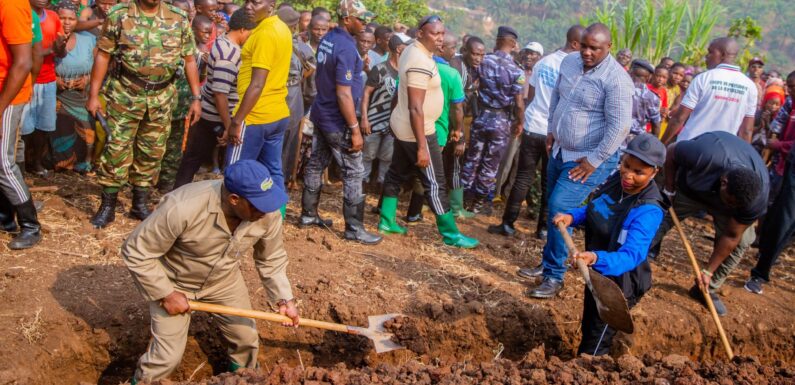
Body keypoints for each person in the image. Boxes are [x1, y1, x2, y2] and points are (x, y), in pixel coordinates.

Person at [122, 160, 299, 384]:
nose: (266, 210)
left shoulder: (266, 212)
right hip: (175, 282)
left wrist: (284, 299)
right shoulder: (183, 206)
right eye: (258, 205)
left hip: (224, 281)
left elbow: (270, 259)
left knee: (245, 340)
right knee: (166, 358)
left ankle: (240, 380)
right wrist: (165, 293)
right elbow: (136, 250)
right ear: (235, 200)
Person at [529, 23, 633, 299]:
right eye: (584, 46)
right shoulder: (569, 62)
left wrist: (593, 161)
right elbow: (557, 98)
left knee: (560, 207)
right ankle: (548, 263)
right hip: (561, 150)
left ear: (608, 47)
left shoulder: (617, 79)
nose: (587, 52)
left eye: (594, 48)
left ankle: (554, 276)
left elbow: (620, 127)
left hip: (589, 160)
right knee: (553, 209)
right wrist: (551, 129)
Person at [86, 0, 202, 228]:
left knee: (152, 151)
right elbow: (103, 55)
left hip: (162, 98)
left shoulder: (178, 18)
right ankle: (108, 205)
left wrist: (196, 98)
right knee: (117, 149)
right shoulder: (120, 15)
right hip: (125, 94)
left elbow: (189, 59)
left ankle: (139, 204)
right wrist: (93, 94)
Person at [556, 133, 665, 356]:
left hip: (620, 286)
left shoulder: (648, 210)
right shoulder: (617, 181)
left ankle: (588, 371)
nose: (628, 175)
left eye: (639, 172)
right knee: (589, 322)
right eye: (626, 165)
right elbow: (596, 209)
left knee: (596, 340)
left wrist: (596, 258)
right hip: (595, 273)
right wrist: (572, 217)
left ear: (654, 172)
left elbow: (631, 255)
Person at [377, 15, 477, 249]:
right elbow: (415, 107)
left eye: (442, 33)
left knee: (396, 172)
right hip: (418, 131)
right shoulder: (420, 61)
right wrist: (422, 146)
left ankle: (386, 220)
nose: (440, 38)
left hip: (403, 126)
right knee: (435, 183)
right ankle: (451, 235)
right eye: (435, 33)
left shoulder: (413, 50)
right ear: (420, 34)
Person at [650, 131, 768, 316]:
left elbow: (731, 236)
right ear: (724, 183)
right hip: (691, 187)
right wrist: (669, 190)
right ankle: (632, 261)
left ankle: (706, 288)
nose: (731, 206)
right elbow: (672, 152)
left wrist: (708, 271)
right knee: (659, 215)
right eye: (730, 201)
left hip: (727, 199)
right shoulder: (705, 155)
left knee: (742, 242)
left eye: (736, 206)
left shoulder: (754, 200)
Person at [488, 25, 583, 244]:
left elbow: (529, 94)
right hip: (555, 133)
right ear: (575, 44)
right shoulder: (575, 68)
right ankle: (542, 230)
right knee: (549, 182)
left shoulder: (543, 62)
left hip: (533, 126)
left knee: (523, 177)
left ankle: (507, 224)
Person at [299, 0, 382, 245]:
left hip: (321, 113)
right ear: (347, 19)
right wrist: (355, 130)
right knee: (354, 171)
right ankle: (354, 228)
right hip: (337, 119)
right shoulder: (345, 47)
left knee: (316, 163)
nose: (366, 24)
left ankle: (308, 215)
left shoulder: (329, 39)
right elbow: (344, 93)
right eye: (361, 19)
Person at [223, 0, 292, 207]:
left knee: (234, 172)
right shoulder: (281, 27)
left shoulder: (265, 34)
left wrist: (236, 121)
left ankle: (226, 223)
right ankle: (276, 218)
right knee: (273, 170)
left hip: (255, 116)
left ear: (271, 4)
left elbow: (257, 83)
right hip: (277, 113)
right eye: (248, 1)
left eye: (256, 2)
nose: (249, 6)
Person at [174, 9, 254, 189]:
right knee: (204, 161)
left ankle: (176, 193)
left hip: (210, 111)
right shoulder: (229, 54)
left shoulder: (223, 39)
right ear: (242, 30)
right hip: (216, 116)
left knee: (191, 159)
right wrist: (229, 126)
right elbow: (220, 93)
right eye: (251, 33)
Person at [459, 26, 525, 214]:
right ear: (512, 44)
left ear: (497, 41)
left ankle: (463, 199)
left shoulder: (483, 61)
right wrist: (520, 123)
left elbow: (472, 85)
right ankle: (478, 204)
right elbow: (519, 103)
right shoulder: (517, 71)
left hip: (481, 116)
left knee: (472, 158)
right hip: (501, 121)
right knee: (491, 164)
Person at [661, 38, 757, 145]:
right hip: (723, 151)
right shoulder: (750, 86)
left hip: (691, 145)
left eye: (711, 52)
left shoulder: (703, 78)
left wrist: (661, 144)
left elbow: (679, 118)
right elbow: (747, 130)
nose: (706, 56)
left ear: (723, 55)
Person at [0, 0, 41, 250]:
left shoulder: (11, 4)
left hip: (8, 94)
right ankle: (5, 219)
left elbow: (24, 61)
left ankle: (31, 225)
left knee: (3, 162)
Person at [157, 11, 210, 193]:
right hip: (163, 104)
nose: (207, 36)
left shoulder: (201, 53)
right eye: (204, 31)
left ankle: (166, 182)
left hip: (183, 106)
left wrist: (204, 64)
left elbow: (200, 78)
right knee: (156, 144)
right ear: (193, 29)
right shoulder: (174, 45)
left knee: (174, 146)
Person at [493, 41, 544, 203]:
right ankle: (496, 192)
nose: (529, 56)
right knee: (507, 158)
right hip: (516, 121)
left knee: (520, 163)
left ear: (540, 57)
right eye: (527, 52)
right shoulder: (517, 71)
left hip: (534, 125)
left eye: (533, 53)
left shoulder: (541, 75)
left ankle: (510, 194)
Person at [51, 0, 96, 173]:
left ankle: (82, 165)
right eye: (62, 18)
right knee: (60, 129)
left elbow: (99, 67)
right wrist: (54, 79)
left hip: (81, 96)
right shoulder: (48, 38)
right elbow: (39, 65)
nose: (67, 22)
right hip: (57, 96)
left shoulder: (89, 40)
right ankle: (61, 165)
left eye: (71, 18)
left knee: (87, 134)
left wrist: (87, 79)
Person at [23, 0, 64, 178]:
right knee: (24, 128)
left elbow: (60, 51)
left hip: (48, 79)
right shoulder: (22, 15)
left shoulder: (53, 17)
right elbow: (27, 52)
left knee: (43, 125)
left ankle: (36, 162)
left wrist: (60, 48)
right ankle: (21, 164)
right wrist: (50, 50)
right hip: (25, 79)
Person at [361, 33, 407, 186]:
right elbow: (366, 94)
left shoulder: (406, 72)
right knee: (368, 154)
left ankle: (381, 184)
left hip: (393, 123)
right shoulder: (380, 69)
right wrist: (365, 119)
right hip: (374, 120)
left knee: (388, 156)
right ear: (399, 49)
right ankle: (363, 182)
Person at [447, 35, 485, 218]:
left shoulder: (469, 68)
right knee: (455, 162)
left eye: (481, 55)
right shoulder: (458, 67)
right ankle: (456, 209)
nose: (478, 58)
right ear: (465, 51)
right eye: (475, 54)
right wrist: (460, 135)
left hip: (452, 121)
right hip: (450, 123)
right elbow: (456, 106)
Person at [280, 7, 316, 190]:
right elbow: (311, 85)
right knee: (288, 146)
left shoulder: (265, 39)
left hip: (268, 97)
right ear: (295, 26)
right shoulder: (302, 48)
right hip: (293, 99)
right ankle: (282, 186)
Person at [627, 60, 661, 139]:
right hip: (635, 142)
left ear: (629, 72)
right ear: (649, 77)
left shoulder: (617, 89)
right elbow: (656, 126)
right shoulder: (653, 98)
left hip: (610, 138)